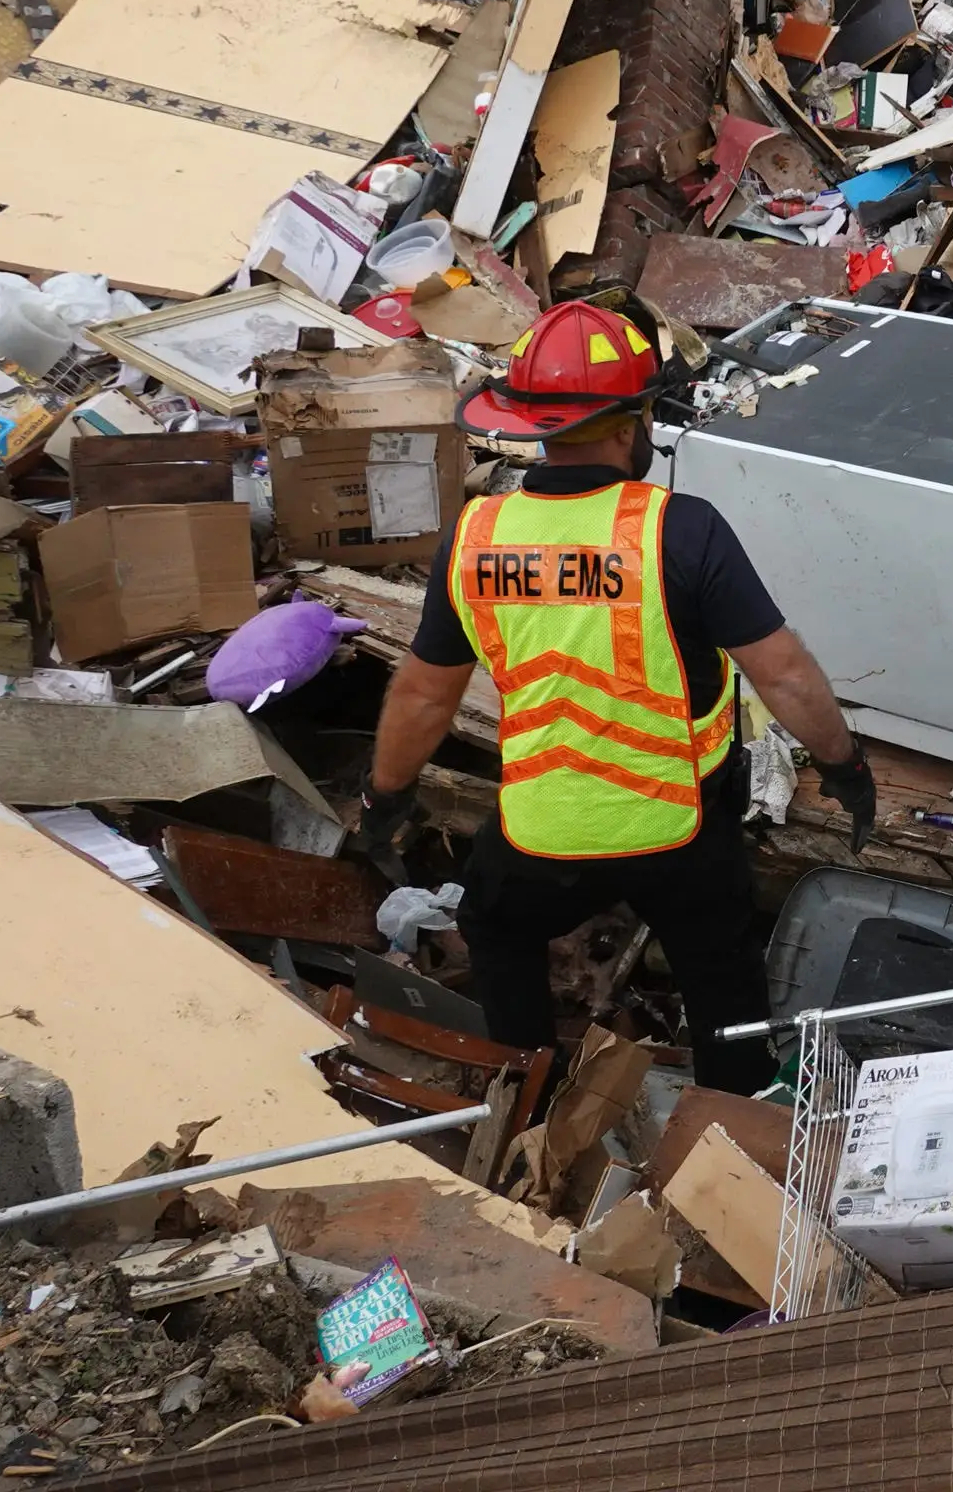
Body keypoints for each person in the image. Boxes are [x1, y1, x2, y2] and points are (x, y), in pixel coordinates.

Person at [358, 299, 876, 1092]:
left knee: (494, 928)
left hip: (543, 827)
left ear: (533, 422)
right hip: (682, 825)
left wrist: (386, 795)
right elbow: (785, 674)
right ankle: (729, 1125)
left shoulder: (477, 536)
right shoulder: (682, 529)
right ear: (628, 420)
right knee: (720, 975)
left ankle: (524, 1097)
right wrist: (842, 766)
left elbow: (427, 695)